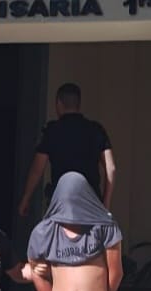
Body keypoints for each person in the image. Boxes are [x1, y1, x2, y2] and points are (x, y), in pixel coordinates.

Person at [18, 83, 117, 216]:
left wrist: (26, 198)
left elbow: (37, 169)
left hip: (62, 204)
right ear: (78, 104)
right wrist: (105, 205)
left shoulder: (51, 131)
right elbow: (111, 168)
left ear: (58, 103)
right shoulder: (96, 130)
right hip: (91, 204)